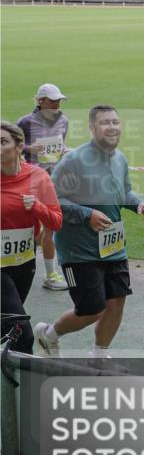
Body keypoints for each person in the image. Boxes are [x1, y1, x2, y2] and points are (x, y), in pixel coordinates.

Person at [33, 105, 144, 363]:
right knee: (91, 310)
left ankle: (98, 355)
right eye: (105, 122)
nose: (112, 127)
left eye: (115, 122)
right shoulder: (74, 161)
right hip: (79, 252)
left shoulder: (119, 158)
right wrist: (88, 215)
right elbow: (53, 199)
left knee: (117, 302)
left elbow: (124, 192)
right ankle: (49, 335)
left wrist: (139, 204)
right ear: (91, 127)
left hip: (113, 247)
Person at [1, 122, 62, 354]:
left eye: (3, 142)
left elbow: (56, 221)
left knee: (7, 326)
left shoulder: (37, 177)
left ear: (19, 147)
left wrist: (36, 207)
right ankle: (25, 389)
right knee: (22, 332)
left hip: (24, 263)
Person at [17, 83, 72, 291]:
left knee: (51, 226)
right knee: (27, 228)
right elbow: (12, 146)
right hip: (30, 181)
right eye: (52, 100)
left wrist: (65, 151)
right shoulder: (25, 122)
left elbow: (58, 148)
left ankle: (50, 275)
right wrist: (31, 148)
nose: (56, 103)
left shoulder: (63, 121)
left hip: (53, 179)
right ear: (40, 101)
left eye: (58, 99)